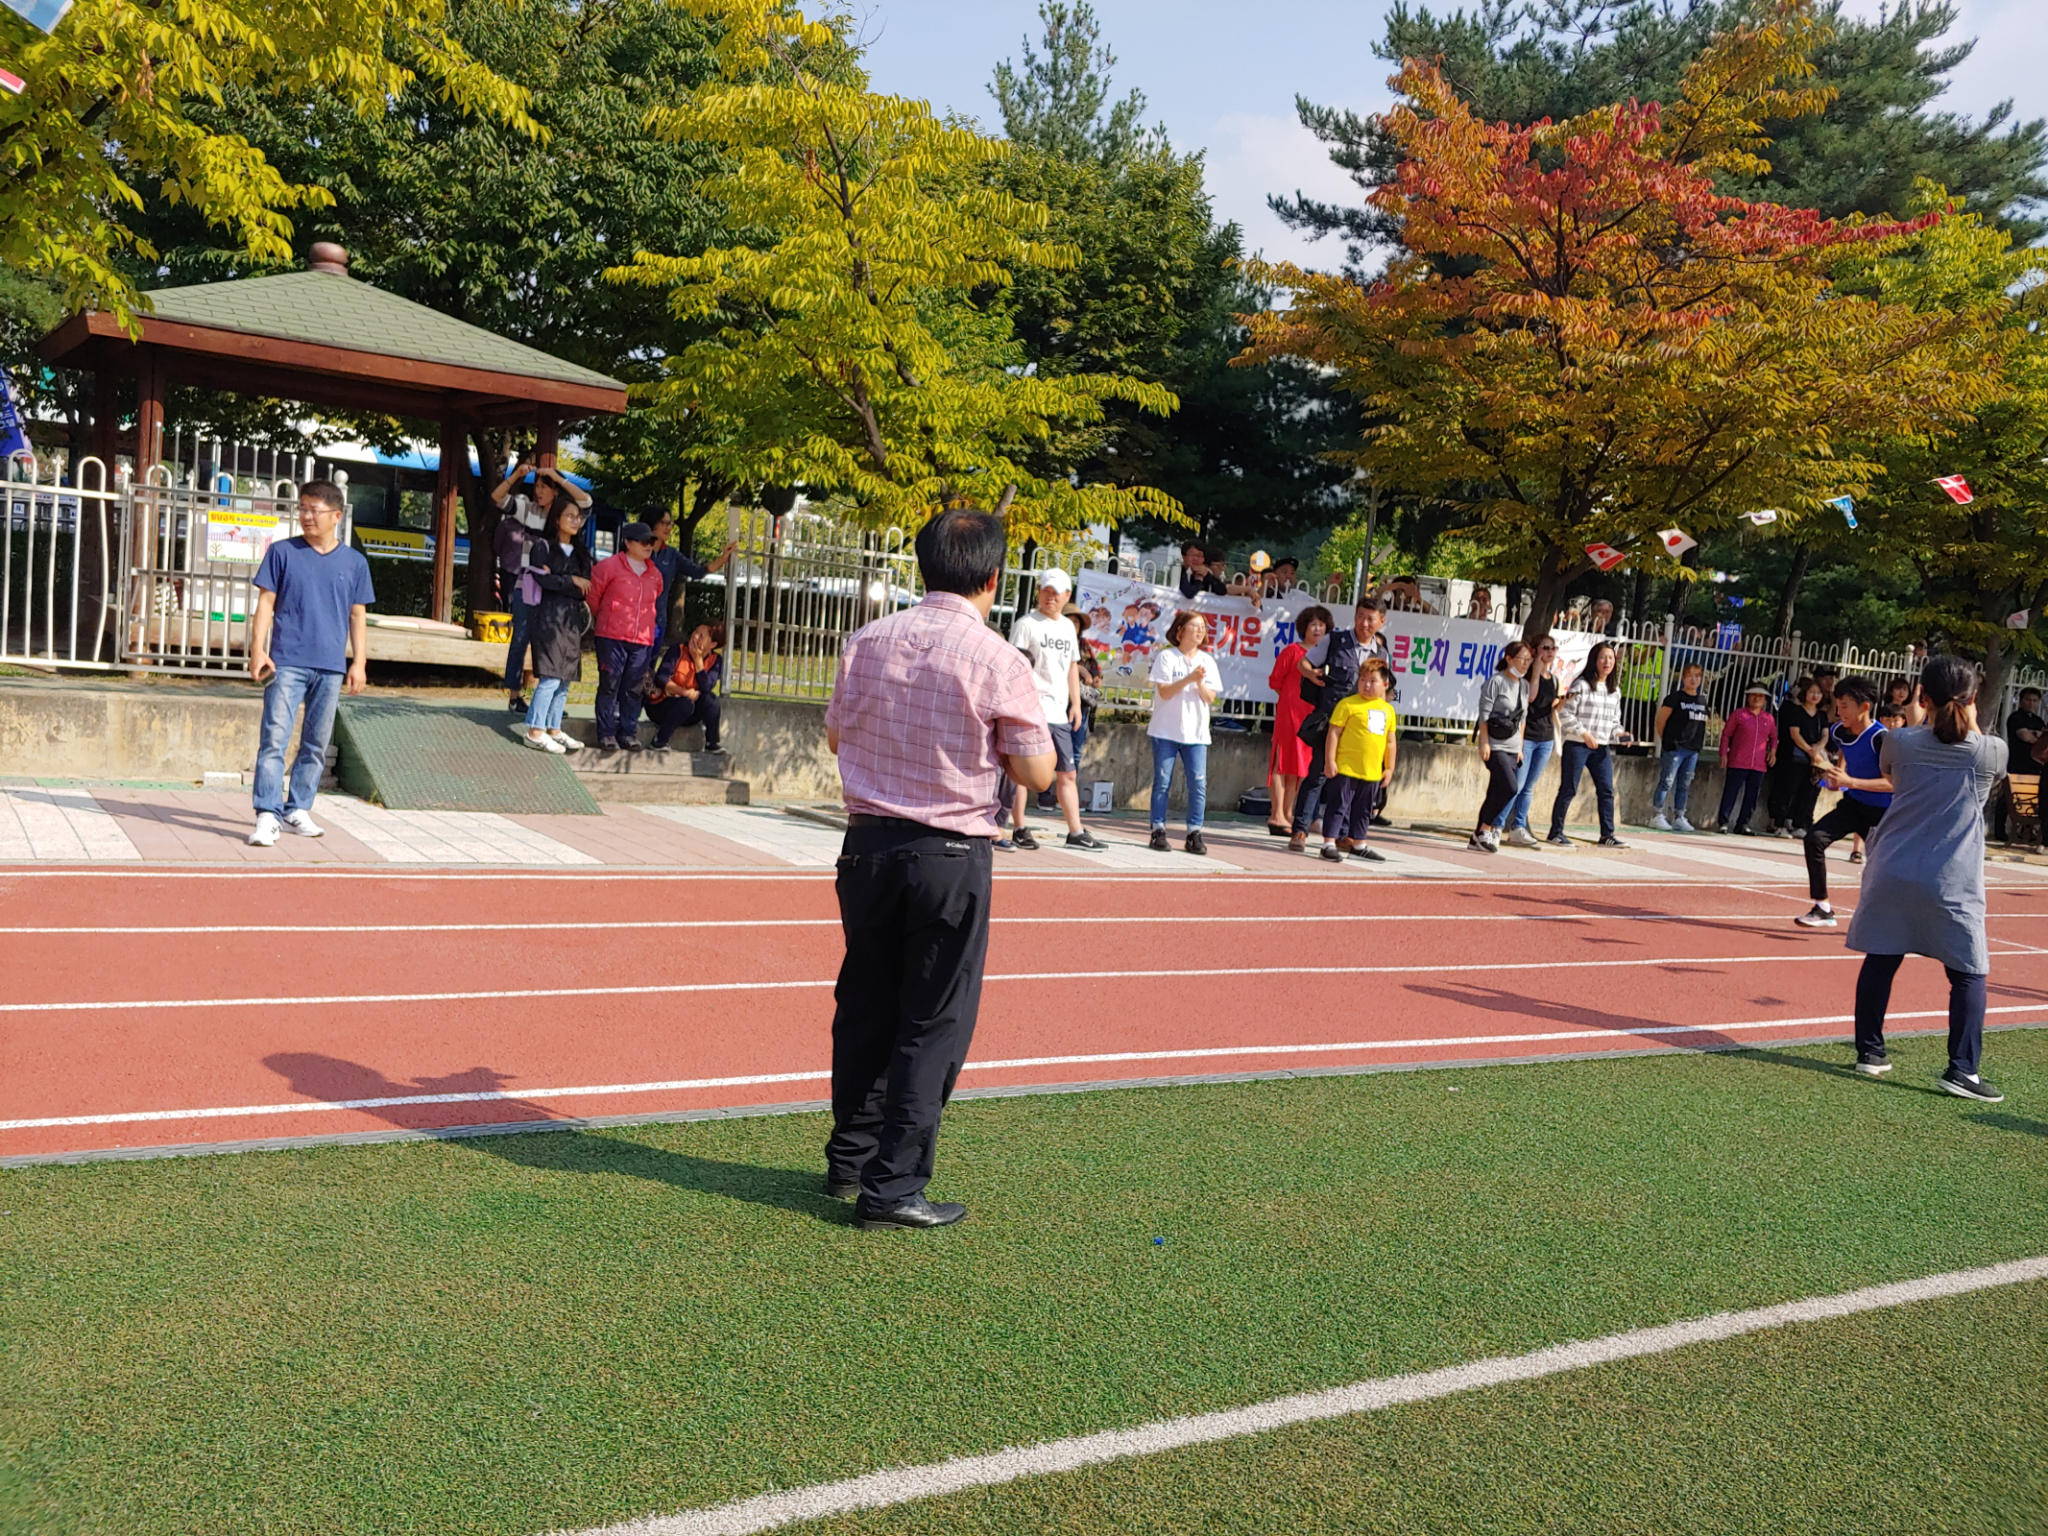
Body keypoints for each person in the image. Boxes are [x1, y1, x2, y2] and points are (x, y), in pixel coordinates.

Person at [822, 509, 1057, 1230]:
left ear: (922, 566)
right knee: (932, 1021)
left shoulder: (866, 641)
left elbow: (836, 734)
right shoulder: (998, 660)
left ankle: (850, 1161)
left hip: (867, 847)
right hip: (948, 853)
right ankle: (893, 1186)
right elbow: (1037, 772)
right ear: (993, 578)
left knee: (865, 1005)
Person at [1841, 656, 2008, 1101]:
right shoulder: (1990, 750)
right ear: (1973, 699)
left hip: (1892, 865)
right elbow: (1982, 768)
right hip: (1952, 875)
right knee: (1969, 973)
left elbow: (1895, 778)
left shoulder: (1897, 742)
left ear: (1923, 697)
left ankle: (1870, 1051)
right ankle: (1962, 1070)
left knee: (1882, 957)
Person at [246, 481, 374, 846]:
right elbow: (266, 603)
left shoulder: (354, 563)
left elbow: (357, 615)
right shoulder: (282, 553)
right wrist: (258, 649)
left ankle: (298, 807)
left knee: (316, 744)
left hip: (331, 666)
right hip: (286, 661)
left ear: (336, 516)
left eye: (313, 510)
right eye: (301, 508)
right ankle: (267, 815)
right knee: (274, 739)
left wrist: (359, 662)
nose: (305, 516)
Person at [1008, 570, 1106, 851]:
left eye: (1056, 592)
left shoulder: (1066, 627)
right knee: (1021, 773)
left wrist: (1075, 704)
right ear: (1038, 591)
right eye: (1045, 590)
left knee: (1068, 773)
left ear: (1067, 596)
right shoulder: (1026, 624)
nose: (1050, 596)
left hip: (1059, 713)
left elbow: (1072, 669)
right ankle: (1019, 827)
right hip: (1030, 710)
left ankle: (1075, 832)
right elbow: (1016, 666)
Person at [1289, 598, 1392, 851]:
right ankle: (1300, 831)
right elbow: (1304, 663)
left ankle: (1343, 835)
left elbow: (1385, 691)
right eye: (1360, 616)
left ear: (1381, 621)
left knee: (1350, 782)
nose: (1364, 623)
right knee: (1318, 775)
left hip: (1361, 729)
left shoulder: (1381, 653)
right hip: (1331, 720)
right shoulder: (1335, 640)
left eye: (1370, 618)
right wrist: (1311, 674)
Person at [492, 461, 590, 714]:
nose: (539, 491)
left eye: (545, 487)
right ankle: (514, 696)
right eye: (537, 486)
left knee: (549, 643)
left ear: (556, 491)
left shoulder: (566, 514)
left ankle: (544, 700)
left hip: (554, 590)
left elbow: (586, 501)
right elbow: (497, 496)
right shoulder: (528, 509)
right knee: (520, 638)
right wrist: (517, 475)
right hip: (528, 585)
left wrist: (558, 476)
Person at [1796, 677, 1890, 928]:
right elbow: (1846, 754)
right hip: (1852, 805)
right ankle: (1822, 907)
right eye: (1838, 705)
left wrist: (1851, 780)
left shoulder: (1881, 739)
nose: (1840, 712)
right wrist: (1836, 776)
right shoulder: (1838, 731)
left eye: (1846, 705)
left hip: (1883, 814)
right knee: (1814, 838)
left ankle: (1891, 919)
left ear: (1865, 707)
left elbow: (1895, 784)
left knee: (1882, 870)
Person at [517, 498, 594, 753]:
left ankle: (555, 728)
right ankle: (534, 731)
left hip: (571, 619)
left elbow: (586, 587)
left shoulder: (582, 552)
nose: (576, 520)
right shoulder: (543, 546)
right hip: (547, 618)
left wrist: (562, 580)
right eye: (570, 515)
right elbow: (543, 581)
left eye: (578, 517)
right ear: (557, 518)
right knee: (550, 675)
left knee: (565, 679)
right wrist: (569, 579)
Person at [585, 520, 667, 752]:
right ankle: (606, 733)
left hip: (642, 640)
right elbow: (593, 597)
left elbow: (656, 600)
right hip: (611, 636)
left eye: (651, 541)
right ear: (627, 542)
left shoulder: (655, 574)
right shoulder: (608, 567)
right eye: (642, 541)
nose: (648, 545)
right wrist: (607, 618)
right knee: (610, 684)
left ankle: (628, 732)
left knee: (634, 687)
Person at [1147, 609, 1223, 855]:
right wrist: (1189, 678)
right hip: (1165, 731)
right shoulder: (1167, 657)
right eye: (1194, 626)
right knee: (1163, 781)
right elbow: (1165, 692)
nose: (1200, 631)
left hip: (1196, 734)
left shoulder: (1207, 661)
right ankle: (1158, 829)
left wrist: (1199, 681)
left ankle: (1194, 832)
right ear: (1179, 630)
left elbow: (1210, 698)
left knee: (1198, 784)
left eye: (1203, 627)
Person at [1546, 641, 1631, 848]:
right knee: (1569, 788)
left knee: (1606, 790)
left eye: (1611, 658)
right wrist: (1583, 734)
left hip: (1601, 747)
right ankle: (1555, 832)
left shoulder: (1614, 691)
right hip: (1577, 745)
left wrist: (1620, 734)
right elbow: (1565, 713)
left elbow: (1614, 721)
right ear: (1594, 659)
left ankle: (1607, 834)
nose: (1607, 662)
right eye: (1603, 657)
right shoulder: (1580, 685)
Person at [1321, 658, 1399, 861]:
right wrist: (1330, 760)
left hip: (1372, 771)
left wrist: (1389, 768)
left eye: (1373, 680)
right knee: (1339, 805)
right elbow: (1334, 733)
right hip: (1346, 767)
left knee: (1364, 810)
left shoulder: (1388, 710)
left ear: (1385, 684)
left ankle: (1359, 843)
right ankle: (1329, 843)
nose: (1366, 685)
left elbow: (1390, 742)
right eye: (1363, 679)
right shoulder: (1348, 704)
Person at [1267, 606, 1330, 835]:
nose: (1317, 629)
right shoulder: (1292, 651)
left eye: (1321, 625)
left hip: (1311, 718)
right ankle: (1276, 815)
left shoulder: (1325, 656)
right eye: (1313, 624)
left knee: (1298, 767)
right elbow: (1275, 681)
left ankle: (1288, 813)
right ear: (1304, 627)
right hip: (1290, 715)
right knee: (1281, 764)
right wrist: (1289, 702)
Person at [642, 504, 739, 652]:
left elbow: (698, 571)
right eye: (664, 523)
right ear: (652, 523)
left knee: (647, 669)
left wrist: (723, 558)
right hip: (632, 619)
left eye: (671, 523)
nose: (669, 527)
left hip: (657, 621)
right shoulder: (635, 550)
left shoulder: (672, 555)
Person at [1496, 636, 1563, 847]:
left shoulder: (1553, 679)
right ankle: (1496, 826)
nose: (1550, 651)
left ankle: (1518, 827)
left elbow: (1552, 709)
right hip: (1527, 737)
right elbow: (1532, 698)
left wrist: (1563, 702)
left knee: (1529, 787)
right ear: (1535, 652)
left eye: (1553, 647)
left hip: (1546, 738)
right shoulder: (1527, 678)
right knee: (1516, 785)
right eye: (1545, 647)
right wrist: (1536, 668)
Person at [1470, 642, 1532, 852]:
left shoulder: (1524, 685)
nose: (1525, 664)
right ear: (1509, 658)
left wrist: (1520, 747)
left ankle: (1478, 836)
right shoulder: (1496, 682)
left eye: (1528, 660)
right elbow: (1484, 714)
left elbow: (1522, 719)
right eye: (1522, 659)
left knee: (1496, 790)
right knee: (1510, 787)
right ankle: (1484, 830)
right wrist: (1484, 742)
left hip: (1513, 747)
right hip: (1495, 745)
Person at [645, 621, 724, 751]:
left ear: (712, 644)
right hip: (663, 705)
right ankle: (659, 741)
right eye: (695, 631)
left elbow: (706, 687)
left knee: (712, 701)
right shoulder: (678, 650)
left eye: (701, 636)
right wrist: (684, 692)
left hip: (689, 711)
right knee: (686, 703)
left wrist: (698, 662)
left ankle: (712, 743)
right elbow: (661, 678)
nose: (695, 636)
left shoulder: (715, 660)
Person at [1649, 662, 1709, 832]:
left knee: (1685, 784)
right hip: (1676, 748)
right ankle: (1657, 814)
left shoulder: (1702, 701)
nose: (1694, 679)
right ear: (1683, 678)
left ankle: (1679, 816)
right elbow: (1661, 721)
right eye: (1690, 675)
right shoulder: (1674, 698)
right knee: (1667, 781)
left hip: (1693, 750)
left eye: (1697, 676)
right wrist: (1668, 742)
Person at [1768, 677, 1826, 836]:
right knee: (1789, 790)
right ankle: (1780, 824)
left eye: (1818, 693)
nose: (1815, 696)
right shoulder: (1796, 711)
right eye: (1812, 692)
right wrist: (1809, 749)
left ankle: (1798, 824)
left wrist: (1818, 748)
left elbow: (1825, 735)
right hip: (1797, 756)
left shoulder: (1822, 716)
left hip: (1813, 760)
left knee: (1806, 792)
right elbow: (1795, 734)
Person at [1715, 683, 1776, 833]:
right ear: (1748, 697)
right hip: (1738, 761)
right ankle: (1723, 822)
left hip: (1758, 764)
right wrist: (1723, 754)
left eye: (1761, 696)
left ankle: (1743, 824)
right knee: (1731, 792)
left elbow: (1774, 737)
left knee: (1752, 796)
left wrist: (1772, 752)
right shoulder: (1738, 715)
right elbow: (1726, 735)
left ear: (1765, 700)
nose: (1757, 698)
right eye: (1754, 695)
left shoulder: (1768, 718)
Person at [1994, 686, 2043, 843]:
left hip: (2035, 765)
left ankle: (2027, 832)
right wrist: (2037, 737)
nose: (2031, 703)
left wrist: (2036, 735)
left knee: (2031, 799)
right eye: (2028, 700)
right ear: (2021, 701)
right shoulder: (2016, 718)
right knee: (2008, 798)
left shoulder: (2038, 720)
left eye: (2034, 701)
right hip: (2017, 763)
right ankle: (1999, 831)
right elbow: (2024, 736)